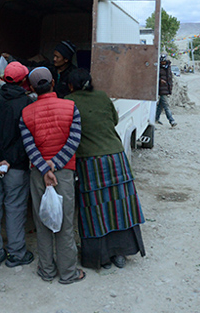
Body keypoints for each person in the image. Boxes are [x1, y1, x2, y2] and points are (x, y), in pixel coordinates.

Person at [65, 68, 146, 270]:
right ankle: (120, 253)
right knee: (120, 206)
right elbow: (115, 120)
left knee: (95, 208)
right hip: (115, 157)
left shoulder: (68, 101)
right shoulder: (102, 96)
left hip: (90, 161)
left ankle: (101, 258)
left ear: (70, 85)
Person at [20, 67, 85, 285]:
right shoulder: (70, 107)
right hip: (64, 172)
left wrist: (44, 168)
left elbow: (29, 147)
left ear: (31, 88)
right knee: (65, 222)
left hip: (38, 173)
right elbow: (74, 140)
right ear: (53, 83)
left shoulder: (26, 113)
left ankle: (46, 270)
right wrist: (55, 165)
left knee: (43, 220)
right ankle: (68, 273)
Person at [0, 62, 35, 270]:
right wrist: (11, 159)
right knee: (15, 207)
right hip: (16, 166)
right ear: (23, 80)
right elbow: (26, 138)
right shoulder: (27, 104)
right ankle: (16, 252)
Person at [156, 55, 177, 127]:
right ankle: (171, 120)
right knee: (166, 106)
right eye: (162, 61)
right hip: (162, 89)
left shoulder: (168, 67)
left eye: (164, 61)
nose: (163, 63)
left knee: (160, 106)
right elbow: (155, 77)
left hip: (167, 88)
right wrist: (160, 80)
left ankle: (155, 119)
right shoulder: (158, 68)